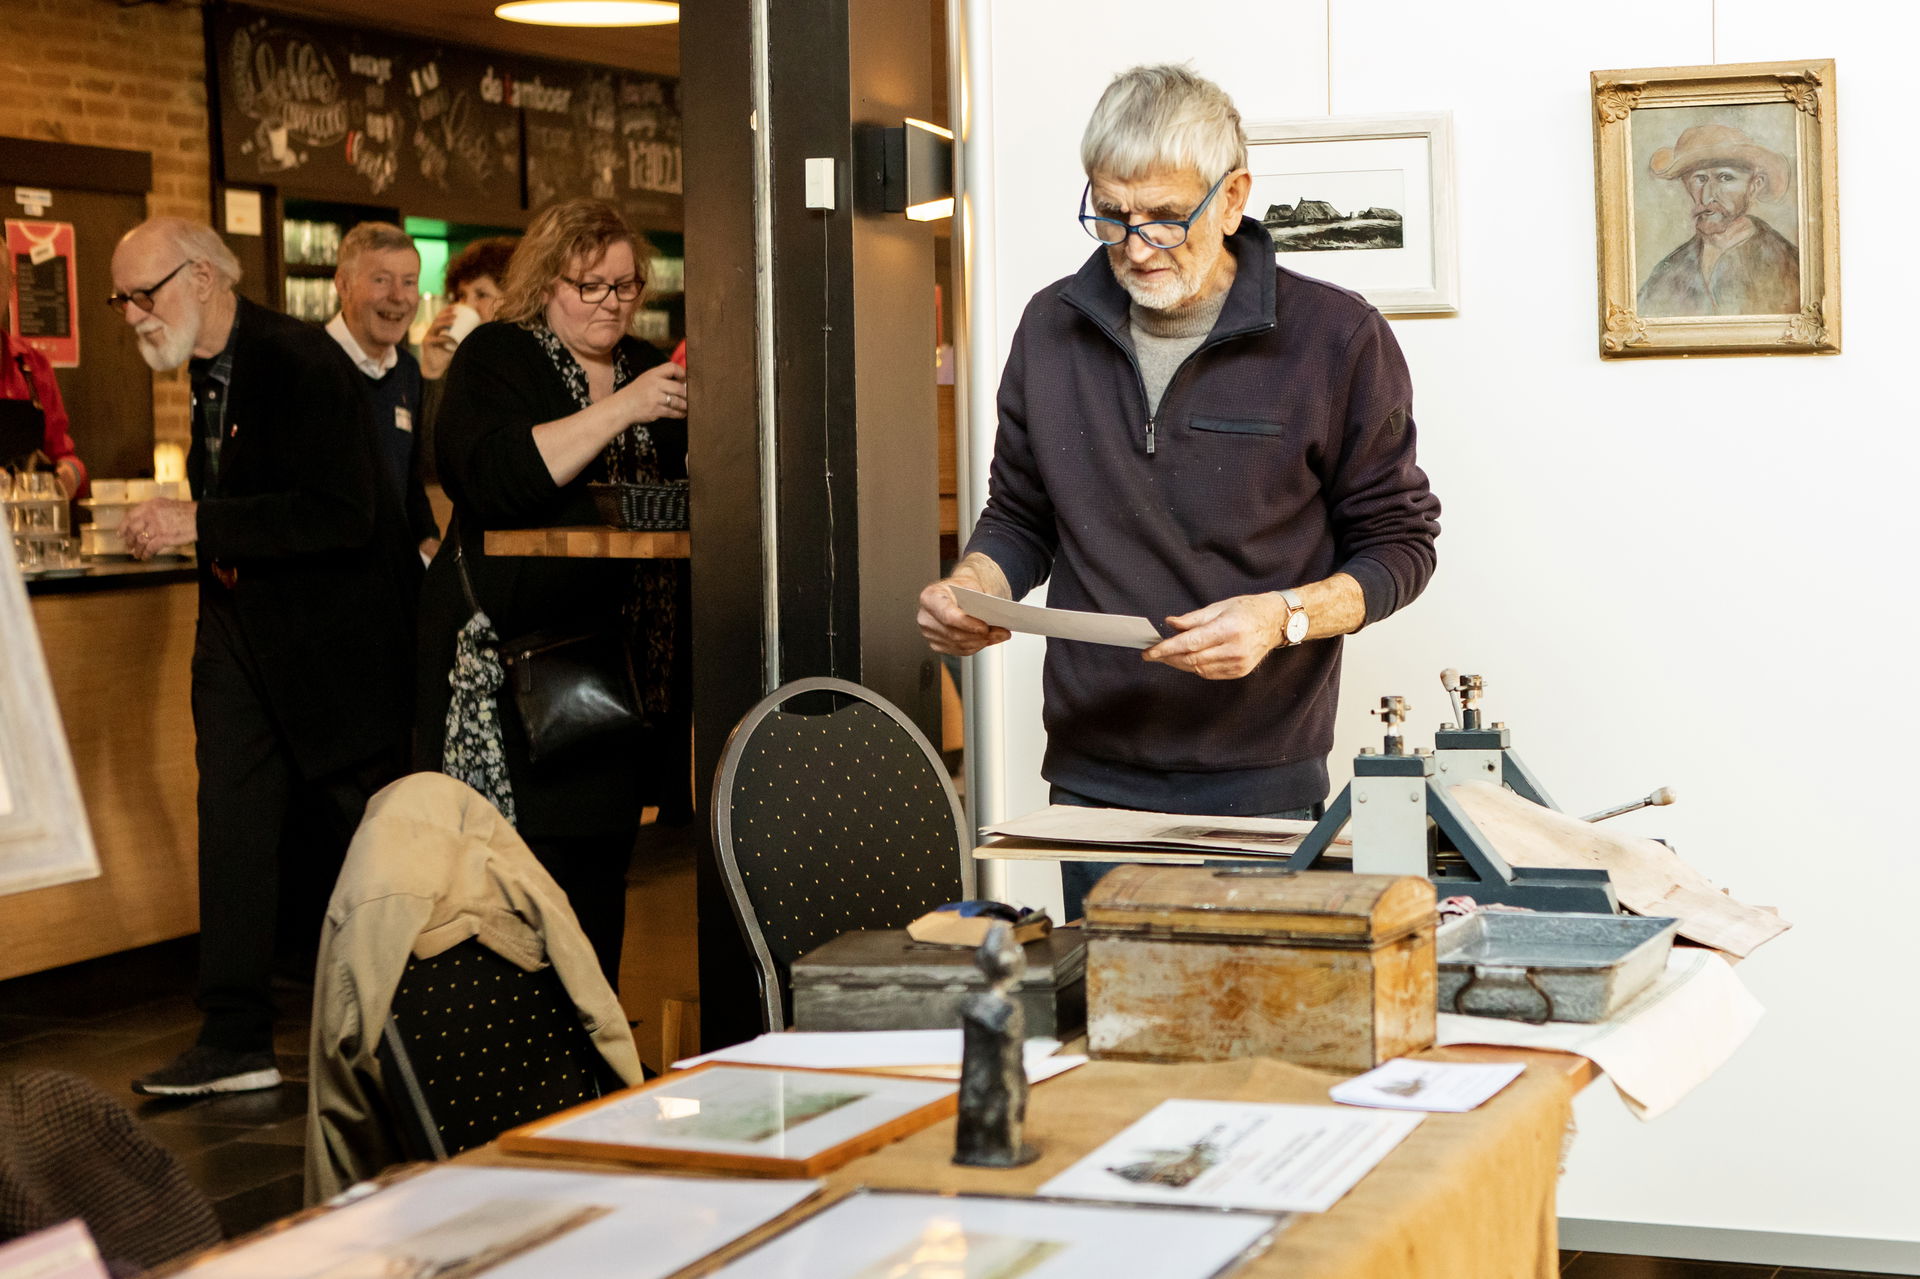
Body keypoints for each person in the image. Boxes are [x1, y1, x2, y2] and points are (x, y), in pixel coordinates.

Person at [915, 65, 1441, 919]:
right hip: (1091, 786)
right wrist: (976, 585)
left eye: (1165, 217)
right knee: (1107, 1032)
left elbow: (1400, 546)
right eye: (1112, 214)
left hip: (1262, 787)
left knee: (1254, 1035)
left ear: (1233, 199)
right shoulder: (1050, 328)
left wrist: (1283, 616)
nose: (1134, 245)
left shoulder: (1337, 339)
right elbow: (1019, 517)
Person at [110, 217, 422, 1095]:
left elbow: (343, 512)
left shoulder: (295, 359)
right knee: (234, 826)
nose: (132, 313)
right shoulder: (207, 371)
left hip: (334, 647)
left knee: (367, 832)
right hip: (243, 629)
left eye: (146, 292)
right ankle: (236, 1037)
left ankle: (415, 1015)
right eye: (122, 298)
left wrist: (197, 522)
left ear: (205, 278)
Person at [416, 198, 687, 987]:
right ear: (546, 281)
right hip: (520, 669)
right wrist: (621, 410)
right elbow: (495, 479)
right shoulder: (501, 356)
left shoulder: (644, 364)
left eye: (627, 287)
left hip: (623, 675)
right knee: (517, 878)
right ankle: (523, 1058)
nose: (611, 304)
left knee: (599, 878)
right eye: (590, 286)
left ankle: (588, 1051)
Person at [326, 221, 439, 558]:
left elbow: (409, 478)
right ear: (343, 285)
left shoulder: (407, 371)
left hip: (393, 579)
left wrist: (427, 536)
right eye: (381, 280)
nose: (398, 297)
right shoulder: (309, 363)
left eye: (409, 282)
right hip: (329, 579)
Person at [1637, 123, 1801, 318]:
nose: (1707, 197)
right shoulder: (1667, 271)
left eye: (1725, 178)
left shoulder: (1789, 265)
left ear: (1755, 185)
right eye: (1699, 179)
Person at [417, 236, 517, 479]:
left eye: (481, 294)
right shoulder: (464, 367)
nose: (467, 306)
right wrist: (433, 371)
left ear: (514, 299)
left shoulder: (524, 364)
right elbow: (431, 462)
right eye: (461, 296)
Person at [0, 252, 87, 495]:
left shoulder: (31, 365)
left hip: (27, 525)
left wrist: (71, 474)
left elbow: (62, 453)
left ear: (10, 285)